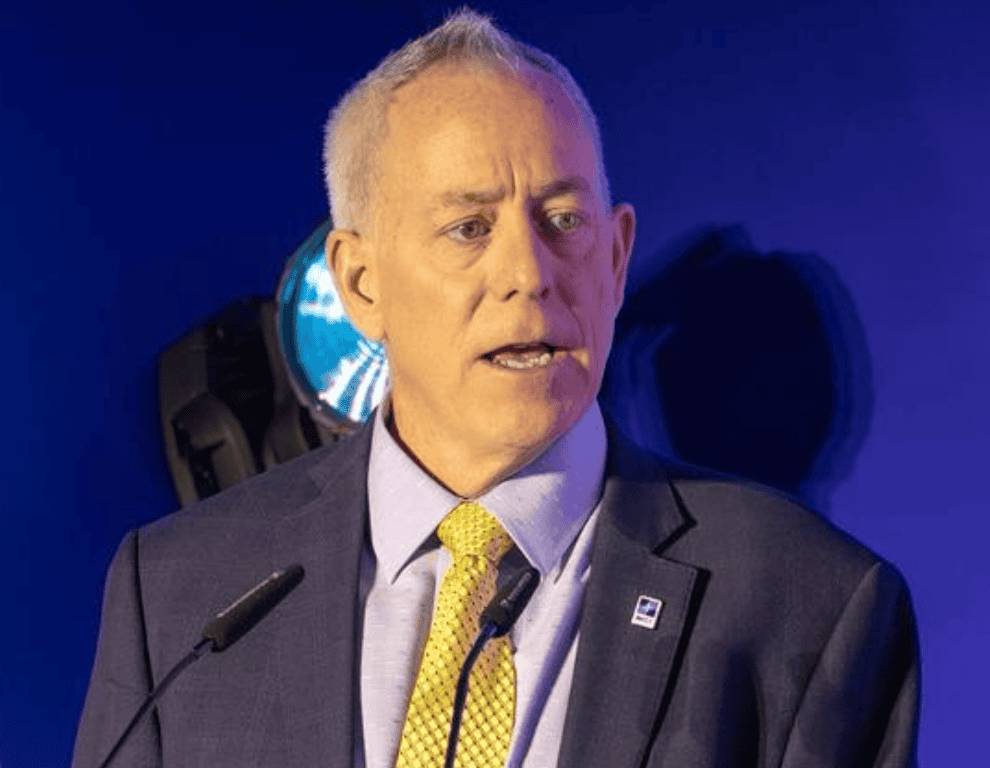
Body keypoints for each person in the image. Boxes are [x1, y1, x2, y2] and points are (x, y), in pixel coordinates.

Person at [73, 7, 920, 767]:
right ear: (362, 285)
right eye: (468, 228)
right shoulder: (178, 592)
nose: (527, 272)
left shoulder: (810, 606)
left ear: (616, 258)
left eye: (562, 222)